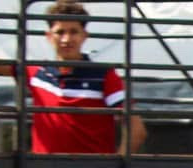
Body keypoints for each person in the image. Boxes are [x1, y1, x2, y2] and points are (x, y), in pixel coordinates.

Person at [23, 0, 146, 155]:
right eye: (60, 32)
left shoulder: (104, 75)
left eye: (73, 32)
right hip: (43, 167)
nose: (66, 39)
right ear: (49, 36)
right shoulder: (36, 72)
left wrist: (115, 165)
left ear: (84, 35)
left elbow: (137, 129)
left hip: (91, 167)